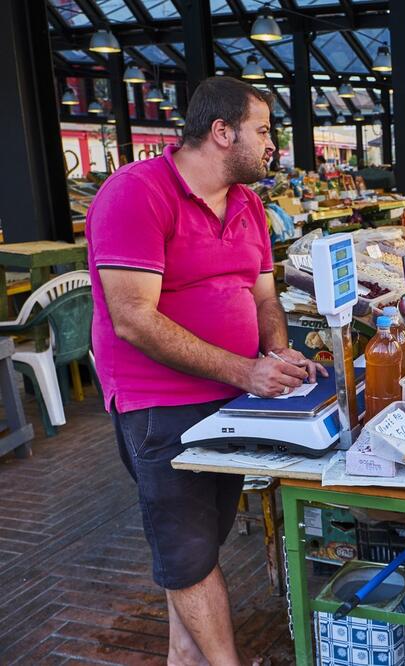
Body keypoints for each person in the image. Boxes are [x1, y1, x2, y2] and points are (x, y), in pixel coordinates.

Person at [86, 76, 327, 666]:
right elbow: (134, 320)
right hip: (160, 406)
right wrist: (246, 372)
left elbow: (265, 298)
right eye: (263, 130)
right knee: (189, 555)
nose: (272, 144)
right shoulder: (136, 194)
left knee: (196, 548)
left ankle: (183, 658)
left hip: (229, 400)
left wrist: (273, 353)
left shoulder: (248, 203)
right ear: (222, 132)